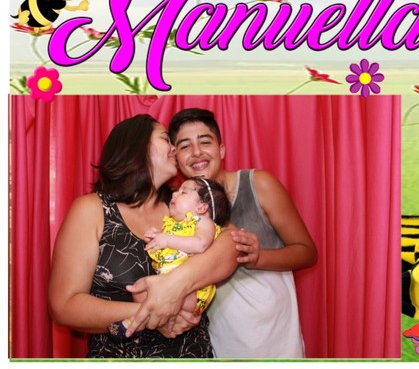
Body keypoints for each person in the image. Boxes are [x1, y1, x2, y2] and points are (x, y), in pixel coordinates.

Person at [47, 115, 238, 358]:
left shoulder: (182, 203)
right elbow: (64, 306)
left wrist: (176, 285)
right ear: (137, 145)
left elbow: (232, 242)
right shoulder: (92, 210)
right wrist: (153, 313)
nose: (174, 148)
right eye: (165, 139)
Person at [169, 108, 316, 358]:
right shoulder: (176, 204)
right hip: (218, 345)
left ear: (221, 150)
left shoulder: (258, 184)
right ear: (176, 157)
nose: (196, 152)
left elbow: (307, 252)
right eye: (185, 146)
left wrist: (259, 257)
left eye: (205, 142)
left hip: (275, 343)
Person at [114, 177, 233, 338]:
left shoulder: (203, 222)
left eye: (184, 192)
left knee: (163, 293)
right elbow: (168, 248)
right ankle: (142, 318)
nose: (175, 194)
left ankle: (140, 320)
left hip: (192, 290)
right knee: (139, 288)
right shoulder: (172, 225)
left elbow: (200, 244)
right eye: (177, 191)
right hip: (167, 282)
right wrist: (155, 238)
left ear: (202, 207)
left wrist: (167, 240)